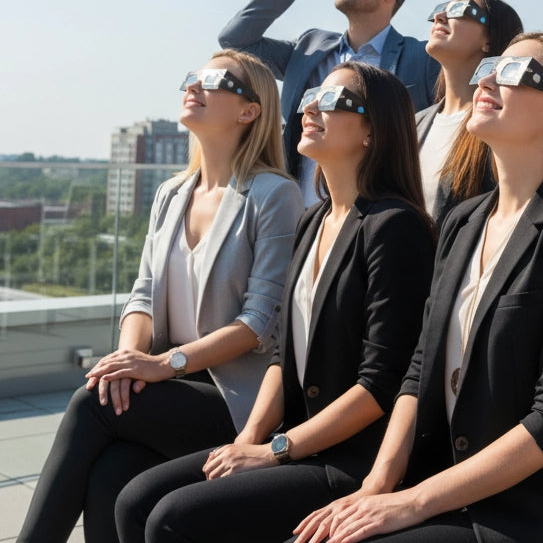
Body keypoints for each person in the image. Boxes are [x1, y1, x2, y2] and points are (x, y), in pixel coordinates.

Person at [291, 32, 543, 543]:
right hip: (431, 483)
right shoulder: (463, 221)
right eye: (490, 67)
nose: (486, 79)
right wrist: (375, 487)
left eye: (512, 74)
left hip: (509, 510)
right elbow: (420, 371)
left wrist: (411, 502)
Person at [114, 63, 436, 543]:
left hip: (346, 457)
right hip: (291, 439)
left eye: (331, 101)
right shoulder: (315, 220)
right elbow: (281, 358)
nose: (309, 107)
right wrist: (246, 442)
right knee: (133, 499)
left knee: (171, 519)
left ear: (373, 130)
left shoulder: (394, 227)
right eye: (310, 96)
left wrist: (274, 451)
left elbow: (380, 385)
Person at [18, 50, 303, 543]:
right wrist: (130, 357)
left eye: (213, 80)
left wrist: (162, 365)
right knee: (111, 473)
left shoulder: (274, 195)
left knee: (92, 403)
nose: (193, 85)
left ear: (249, 111)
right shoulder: (173, 192)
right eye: (192, 77)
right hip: (169, 385)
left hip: (235, 399)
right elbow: (143, 295)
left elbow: (259, 322)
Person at [220, 0, 441, 205]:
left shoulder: (423, 59)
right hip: (299, 215)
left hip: (377, 217)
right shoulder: (309, 49)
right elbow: (236, 41)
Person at [415, 0, 523, 225]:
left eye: (459, 11)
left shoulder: (500, 125)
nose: (440, 17)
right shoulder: (416, 124)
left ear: (489, 39)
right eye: (441, 9)